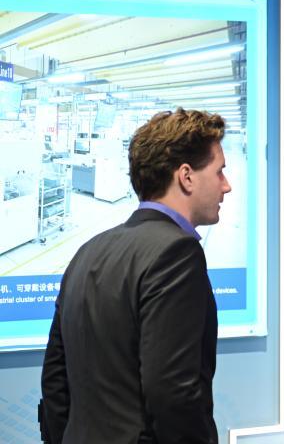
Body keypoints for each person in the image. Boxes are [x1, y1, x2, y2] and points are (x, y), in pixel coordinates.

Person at [40, 108, 231, 443]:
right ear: (186, 176)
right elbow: (173, 394)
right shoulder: (177, 253)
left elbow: (56, 379)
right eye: (219, 172)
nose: (226, 186)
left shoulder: (88, 251)